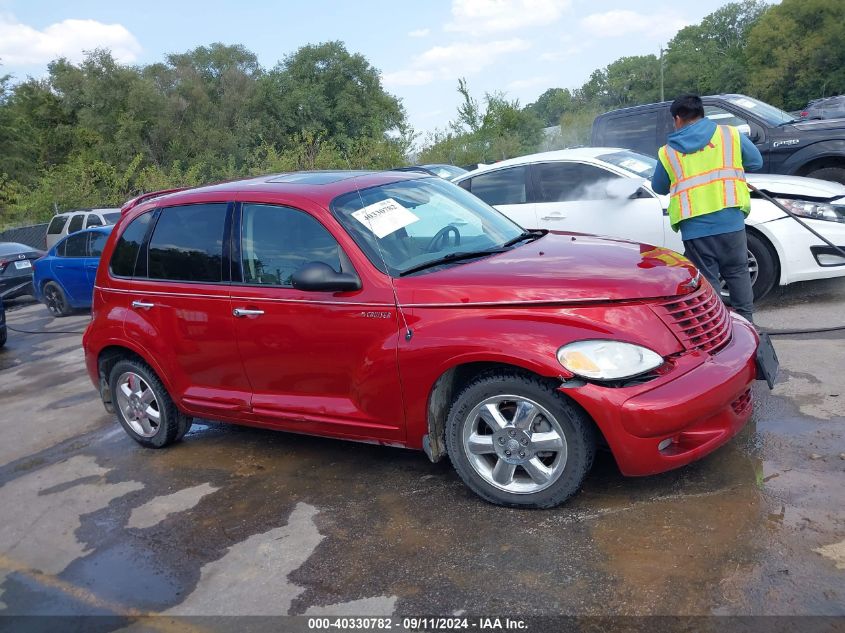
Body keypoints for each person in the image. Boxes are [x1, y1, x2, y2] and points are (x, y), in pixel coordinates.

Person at [651, 94, 763, 323]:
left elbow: (658, 187)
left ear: (678, 118)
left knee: (707, 280)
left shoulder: (668, 152)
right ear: (702, 113)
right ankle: (747, 323)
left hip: (695, 228)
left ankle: (716, 326)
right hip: (730, 220)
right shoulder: (729, 134)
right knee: (737, 271)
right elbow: (755, 162)